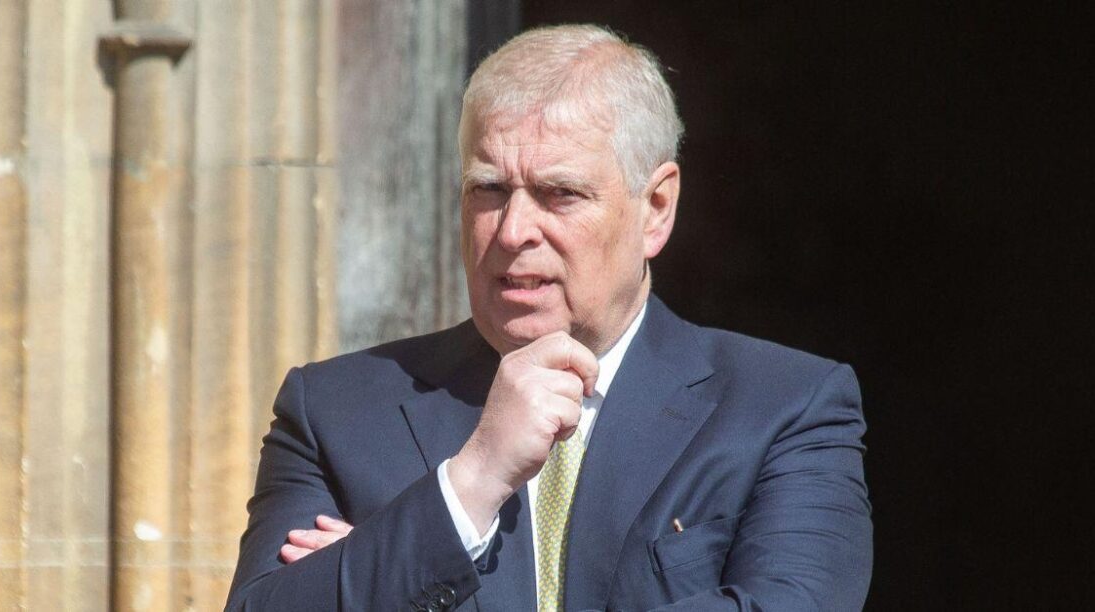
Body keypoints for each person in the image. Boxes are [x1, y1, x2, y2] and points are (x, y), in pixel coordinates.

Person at [225, 24, 871, 612]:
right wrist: (470, 484)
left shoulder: (783, 409)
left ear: (656, 208)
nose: (513, 231)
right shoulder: (335, 413)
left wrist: (385, 567)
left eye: (559, 193)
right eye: (489, 189)